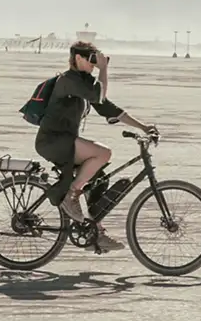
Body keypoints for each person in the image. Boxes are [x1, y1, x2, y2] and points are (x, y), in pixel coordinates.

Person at [35, 41, 156, 235]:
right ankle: (71, 194)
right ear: (78, 58)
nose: (94, 64)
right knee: (103, 153)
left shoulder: (83, 83)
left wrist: (144, 127)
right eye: (90, 59)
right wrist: (104, 69)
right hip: (52, 141)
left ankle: (94, 231)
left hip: (64, 141)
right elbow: (99, 95)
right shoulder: (68, 80)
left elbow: (109, 108)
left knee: (98, 180)